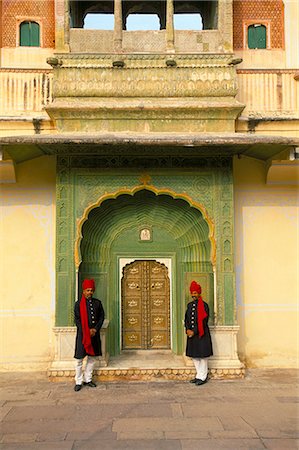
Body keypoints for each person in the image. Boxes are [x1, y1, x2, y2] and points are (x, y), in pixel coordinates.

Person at [74, 278, 105, 391]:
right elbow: (77, 320)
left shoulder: (98, 303)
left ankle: (88, 379)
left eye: (91, 290)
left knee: (92, 358)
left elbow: (101, 317)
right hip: (83, 336)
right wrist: (86, 331)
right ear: (83, 291)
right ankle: (78, 381)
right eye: (87, 290)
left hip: (94, 335)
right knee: (79, 359)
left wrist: (95, 329)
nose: (89, 292)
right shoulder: (78, 304)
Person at [185, 280, 213, 385]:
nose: (193, 295)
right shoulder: (189, 305)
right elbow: (187, 319)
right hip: (191, 335)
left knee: (203, 357)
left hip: (201, 334)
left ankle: (203, 376)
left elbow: (203, 321)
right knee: (194, 356)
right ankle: (198, 375)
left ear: (199, 293)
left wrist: (194, 331)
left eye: (195, 293)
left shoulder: (204, 305)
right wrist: (187, 330)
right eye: (192, 293)